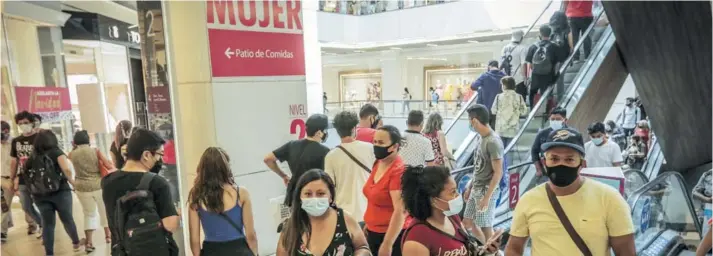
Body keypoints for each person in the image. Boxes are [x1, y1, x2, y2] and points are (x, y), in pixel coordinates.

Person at [505, 128, 636, 256]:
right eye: (554, 159)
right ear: (545, 162)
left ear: (582, 165)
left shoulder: (609, 199)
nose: (561, 164)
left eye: (569, 159)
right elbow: (514, 248)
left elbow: (625, 251)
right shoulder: (528, 200)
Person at [102, 128, 180, 255]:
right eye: (159, 155)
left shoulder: (107, 182)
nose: (160, 160)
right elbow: (170, 225)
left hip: (122, 250)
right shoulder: (157, 183)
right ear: (146, 155)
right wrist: (177, 213)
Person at [401, 165, 502, 255]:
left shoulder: (452, 217)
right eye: (453, 192)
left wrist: (486, 251)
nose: (458, 195)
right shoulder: (417, 238)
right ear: (434, 200)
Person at [277, 169, 371, 256]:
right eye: (308, 194)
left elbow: (362, 247)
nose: (314, 198)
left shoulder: (345, 219)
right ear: (300, 197)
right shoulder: (290, 227)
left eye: (321, 193)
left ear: (330, 197)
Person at [188, 147, 258, 255]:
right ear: (226, 167)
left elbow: (194, 240)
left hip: (211, 251)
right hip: (239, 250)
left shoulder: (196, 195)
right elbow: (251, 235)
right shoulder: (241, 194)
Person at [26, 130, 82, 254]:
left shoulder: (32, 156)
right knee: (67, 219)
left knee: (48, 224)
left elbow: (26, 173)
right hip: (60, 191)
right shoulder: (57, 152)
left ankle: (49, 253)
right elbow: (66, 169)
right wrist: (72, 182)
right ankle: (76, 243)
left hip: (39, 195)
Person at [264, 114, 330, 207]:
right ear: (319, 132)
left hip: (293, 195)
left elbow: (268, 159)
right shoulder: (325, 151)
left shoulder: (291, 145)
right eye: (325, 130)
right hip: (313, 197)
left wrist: (284, 176)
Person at [462, 105, 504, 243]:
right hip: (477, 187)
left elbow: (498, 172)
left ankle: (492, 252)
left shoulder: (493, 141)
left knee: (486, 227)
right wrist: (470, 187)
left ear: (474, 121)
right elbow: (478, 166)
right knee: (468, 222)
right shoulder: (480, 138)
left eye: (469, 120)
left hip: (486, 189)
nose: (469, 123)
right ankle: (484, 249)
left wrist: (487, 197)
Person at [363, 125, 406, 256]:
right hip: (372, 231)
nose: (376, 146)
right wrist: (368, 223)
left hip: (389, 236)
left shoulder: (398, 171)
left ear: (394, 146)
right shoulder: (379, 162)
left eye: (381, 143)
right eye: (374, 142)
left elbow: (400, 211)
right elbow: (373, 197)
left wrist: (387, 244)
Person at [324, 111, 374, 222]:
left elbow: (329, 186)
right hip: (367, 211)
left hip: (343, 214)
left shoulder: (331, 156)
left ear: (337, 131)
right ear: (354, 128)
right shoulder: (370, 148)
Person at [69, 130, 112, 252]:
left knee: (89, 214)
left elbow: (69, 159)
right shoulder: (95, 151)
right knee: (104, 211)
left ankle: (89, 243)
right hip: (98, 185)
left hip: (82, 188)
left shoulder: (72, 154)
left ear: (75, 141)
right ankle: (108, 237)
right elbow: (108, 164)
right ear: (88, 140)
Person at [8, 111, 41, 236]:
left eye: (26, 123)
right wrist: (12, 179)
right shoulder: (16, 141)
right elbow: (14, 160)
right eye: (20, 123)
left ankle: (46, 227)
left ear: (32, 123)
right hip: (23, 178)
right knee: (26, 205)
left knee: (41, 204)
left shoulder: (39, 138)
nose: (23, 125)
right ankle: (41, 223)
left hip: (39, 177)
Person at [525, 24, 567, 110]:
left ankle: (533, 111)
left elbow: (529, 63)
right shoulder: (554, 46)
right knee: (548, 94)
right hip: (549, 75)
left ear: (540, 34)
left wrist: (528, 77)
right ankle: (547, 112)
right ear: (550, 34)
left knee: (533, 93)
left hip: (535, 75)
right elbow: (560, 61)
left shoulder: (533, 46)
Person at [491, 76, 529, 147]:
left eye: (502, 85)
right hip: (513, 128)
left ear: (504, 86)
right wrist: (516, 113)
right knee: (510, 149)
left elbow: (493, 111)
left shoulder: (498, 97)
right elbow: (524, 111)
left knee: (500, 149)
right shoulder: (519, 97)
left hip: (500, 128)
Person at [532, 107, 568, 178]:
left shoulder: (572, 134)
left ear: (565, 120)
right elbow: (534, 151)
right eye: (552, 119)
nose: (554, 121)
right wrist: (538, 169)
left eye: (558, 119)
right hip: (547, 172)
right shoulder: (542, 133)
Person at [472, 60, 505, 127]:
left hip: (486, 108)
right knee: (497, 129)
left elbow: (473, 86)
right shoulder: (504, 76)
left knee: (486, 128)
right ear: (497, 66)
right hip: (500, 109)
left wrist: (479, 89)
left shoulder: (485, 76)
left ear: (489, 66)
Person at [1, 120, 14, 242]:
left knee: (27, 205)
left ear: (6, 131)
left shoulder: (15, 142)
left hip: (17, 178)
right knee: (4, 207)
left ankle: (35, 224)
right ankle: (3, 232)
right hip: (2, 179)